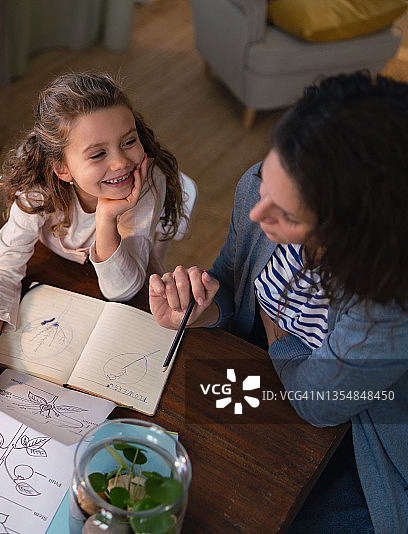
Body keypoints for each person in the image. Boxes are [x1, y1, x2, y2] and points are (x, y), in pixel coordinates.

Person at [149, 71, 408, 533]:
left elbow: (318, 403)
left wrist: (278, 334)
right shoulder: (259, 188)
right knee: (174, 461)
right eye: (268, 176)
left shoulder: (388, 308)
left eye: (285, 213)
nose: (256, 211)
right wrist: (207, 309)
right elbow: (230, 279)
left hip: (362, 437)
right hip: (267, 379)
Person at [0, 72, 185, 391]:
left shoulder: (146, 182)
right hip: (57, 280)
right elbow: (4, 266)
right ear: (62, 169)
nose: (121, 162)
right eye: (98, 154)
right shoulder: (38, 187)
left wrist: (107, 218)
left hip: (123, 293)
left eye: (129, 141)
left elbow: (122, 290)